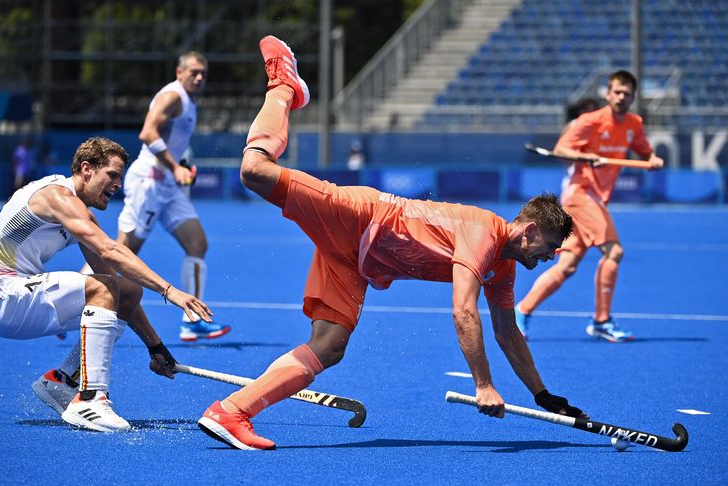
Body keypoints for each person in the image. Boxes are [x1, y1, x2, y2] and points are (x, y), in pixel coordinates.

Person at [195, 35, 586, 450]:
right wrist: (483, 385)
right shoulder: (484, 232)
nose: (551, 255)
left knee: (329, 348)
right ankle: (284, 85)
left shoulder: (502, 267)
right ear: (528, 230)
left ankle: (232, 412)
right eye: (549, 244)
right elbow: (463, 313)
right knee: (254, 170)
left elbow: (508, 333)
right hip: (361, 215)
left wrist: (542, 395)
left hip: (357, 262)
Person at [0, 137, 213, 432]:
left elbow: (111, 282)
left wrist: (156, 347)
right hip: (2, 297)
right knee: (101, 289)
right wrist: (169, 290)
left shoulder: (79, 213)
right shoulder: (57, 198)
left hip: (18, 298)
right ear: (86, 169)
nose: (117, 185)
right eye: (112, 175)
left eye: (120, 178)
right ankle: (90, 399)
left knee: (126, 290)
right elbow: (110, 250)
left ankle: (61, 381)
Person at [515, 71, 664, 343]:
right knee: (614, 251)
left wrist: (652, 159)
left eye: (627, 93)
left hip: (595, 198)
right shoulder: (589, 121)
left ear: (633, 97)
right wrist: (586, 156)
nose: (621, 97)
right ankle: (601, 320)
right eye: (617, 92)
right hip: (581, 194)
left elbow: (644, 150)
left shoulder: (634, 123)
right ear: (608, 94)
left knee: (568, 265)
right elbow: (561, 150)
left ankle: (521, 310)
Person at [114, 51, 229, 342]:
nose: (200, 77)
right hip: (150, 183)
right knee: (121, 253)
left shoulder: (187, 100)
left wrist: (180, 168)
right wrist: (175, 166)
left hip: (168, 185)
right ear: (179, 72)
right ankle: (77, 301)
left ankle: (192, 319)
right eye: (194, 72)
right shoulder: (172, 96)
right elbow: (147, 133)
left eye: (203, 73)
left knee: (197, 244)